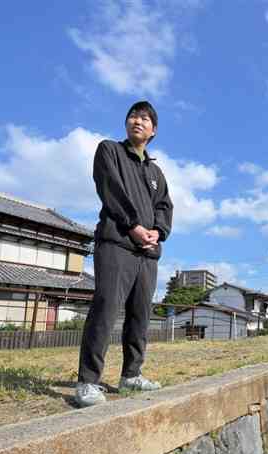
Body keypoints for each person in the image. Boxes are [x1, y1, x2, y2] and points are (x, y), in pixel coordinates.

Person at [75, 101, 173, 407]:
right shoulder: (109, 151)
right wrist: (133, 226)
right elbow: (110, 189)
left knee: (141, 314)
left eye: (145, 118)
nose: (137, 121)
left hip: (147, 252)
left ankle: (131, 375)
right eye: (133, 116)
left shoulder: (155, 171)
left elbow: (164, 206)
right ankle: (88, 381)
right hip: (116, 242)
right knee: (106, 307)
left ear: (153, 130)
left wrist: (158, 231)